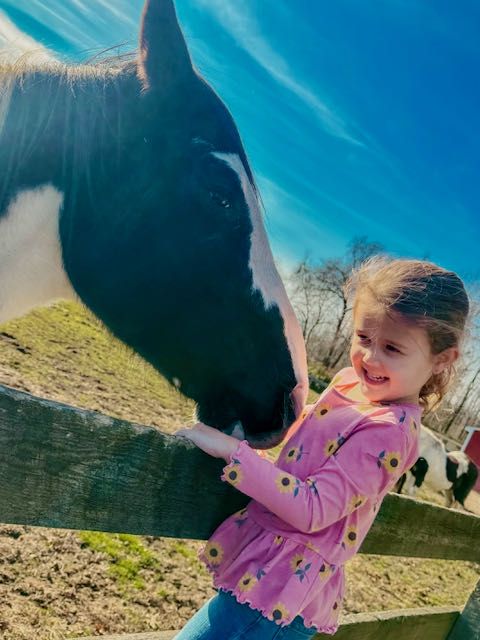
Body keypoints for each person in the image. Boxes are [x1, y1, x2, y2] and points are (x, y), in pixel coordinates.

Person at [174, 257, 470, 639]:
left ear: (441, 360)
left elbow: (315, 508)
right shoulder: (351, 387)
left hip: (282, 589)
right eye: (363, 338)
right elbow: (307, 434)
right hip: (268, 574)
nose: (370, 357)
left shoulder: (389, 432)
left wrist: (232, 452)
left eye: (393, 348)